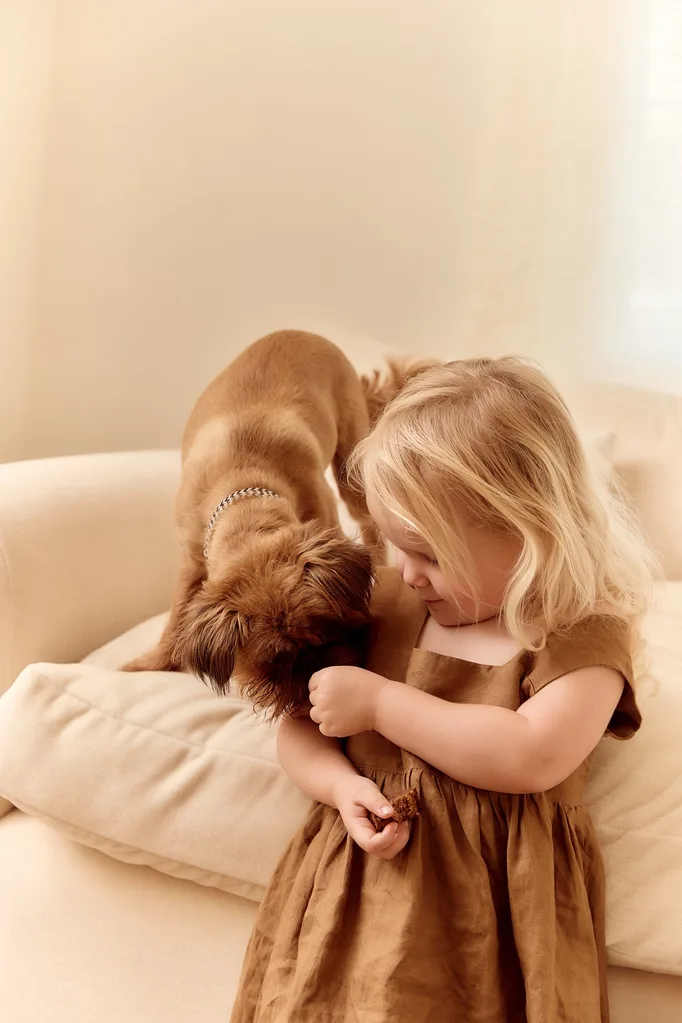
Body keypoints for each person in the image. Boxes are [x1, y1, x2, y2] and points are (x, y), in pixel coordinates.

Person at [230, 357, 654, 1023]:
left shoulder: (580, 629)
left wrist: (379, 703)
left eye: (428, 552)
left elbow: (530, 752)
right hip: (352, 899)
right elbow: (302, 719)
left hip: (494, 924)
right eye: (394, 544)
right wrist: (340, 787)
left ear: (529, 533)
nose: (406, 569)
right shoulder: (385, 597)